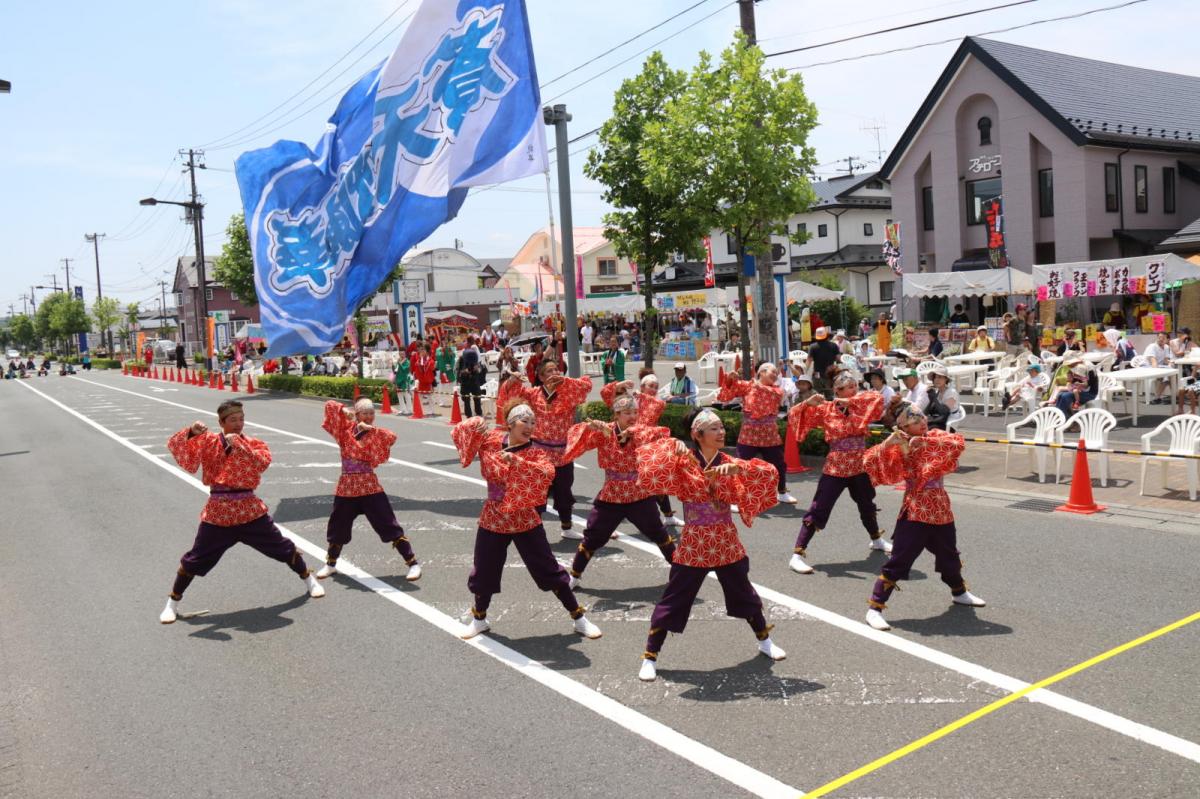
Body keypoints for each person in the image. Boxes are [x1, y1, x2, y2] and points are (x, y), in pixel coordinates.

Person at [635, 408, 786, 682]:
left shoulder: (728, 460)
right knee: (674, 599)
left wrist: (740, 468)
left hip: (725, 539)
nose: (721, 432)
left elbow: (769, 474)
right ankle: (650, 656)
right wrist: (671, 446)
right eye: (714, 428)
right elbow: (646, 459)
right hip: (694, 541)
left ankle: (765, 641)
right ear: (698, 434)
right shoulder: (683, 459)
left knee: (744, 592)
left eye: (721, 427)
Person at [159, 400, 324, 624]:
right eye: (233, 420)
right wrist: (191, 432)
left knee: (282, 547)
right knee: (196, 558)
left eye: (241, 419)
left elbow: (261, 463)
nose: (238, 424)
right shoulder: (208, 441)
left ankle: (309, 579)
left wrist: (239, 445)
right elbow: (182, 454)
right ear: (221, 422)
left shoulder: (254, 443)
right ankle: (173, 602)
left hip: (249, 510)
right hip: (219, 513)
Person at [450, 406, 602, 641]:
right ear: (510, 423)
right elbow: (460, 434)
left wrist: (517, 463)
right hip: (494, 515)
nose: (530, 427)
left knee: (548, 568)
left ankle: (579, 618)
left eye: (533, 422)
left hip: (524, 516)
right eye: (524, 421)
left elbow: (546, 473)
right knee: (484, 569)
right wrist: (476, 422)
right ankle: (479, 619)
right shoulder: (490, 441)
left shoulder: (536, 453)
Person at [862, 405, 985, 631]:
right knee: (900, 559)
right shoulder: (898, 445)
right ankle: (875, 607)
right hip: (916, 508)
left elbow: (956, 443)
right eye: (916, 421)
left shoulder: (935, 436)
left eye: (922, 419)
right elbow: (869, 462)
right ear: (904, 426)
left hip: (940, 507)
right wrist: (888, 444)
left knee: (949, 554)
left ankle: (959, 592)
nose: (923, 423)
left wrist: (920, 443)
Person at [561, 398, 678, 588]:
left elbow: (662, 433)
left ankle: (680, 573)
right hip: (612, 496)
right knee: (593, 536)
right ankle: (575, 574)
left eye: (634, 412)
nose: (632, 417)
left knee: (659, 533)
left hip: (639, 495)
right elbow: (578, 438)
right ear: (616, 415)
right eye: (627, 413)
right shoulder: (605, 432)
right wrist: (592, 429)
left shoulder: (642, 431)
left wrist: (633, 431)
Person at [787, 372, 891, 574]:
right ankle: (797, 554)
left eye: (855, 386)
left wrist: (850, 400)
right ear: (837, 390)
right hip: (836, 467)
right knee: (819, 508)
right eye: (849, 387)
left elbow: (877, 398)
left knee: (867, 505)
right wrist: (808, 402)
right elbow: (794, 415)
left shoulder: (861, 407)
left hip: (859, 466)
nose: (854, 390)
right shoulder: (826, 410)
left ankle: (876, 539)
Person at [316, 399, 421, 581]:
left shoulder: (375, 434)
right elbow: (330, 407)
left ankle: (413, 563)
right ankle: (330, 563)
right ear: (356, 415)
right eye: (364, 413)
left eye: (372, 413)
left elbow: (391, 437)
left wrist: (369, 429)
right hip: (347, 488)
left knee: (388, 524)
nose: (369, 416)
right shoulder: (344, 432)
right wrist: (344, 410)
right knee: (337, 527)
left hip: (369, 486)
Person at [514, 359, 593, 539]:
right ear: (541, 377)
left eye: (557, 370)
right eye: (549, 371)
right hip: (539, 452)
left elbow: (586, 385)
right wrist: (513, 381)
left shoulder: (568, 392)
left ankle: (567, 527)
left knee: (564, 490)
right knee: (538, 491)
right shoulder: (533, 394)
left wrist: (564, 381)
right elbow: (510, 397)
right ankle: (534, 529)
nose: (554, 373)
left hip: (563, 452)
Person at [718, 362, 793, 504]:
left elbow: (775, 394)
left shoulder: (777, 391)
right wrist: (730, 379)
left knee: (778, 464)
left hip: (769, 435)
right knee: (740, 465)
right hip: (748, 434)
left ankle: (781, 491)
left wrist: (745, 383)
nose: (775, 375)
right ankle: (735, 497)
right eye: (773, 372)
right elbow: (725, 396)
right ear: (762, 372)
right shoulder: (748, 386)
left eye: (776, 374)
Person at [808, 327, 841, 397]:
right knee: (830, 396)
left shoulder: (812, 346)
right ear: (826, 335)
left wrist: (805, 372)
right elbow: (839, 359)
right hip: (829, 374)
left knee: (817, 396)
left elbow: (809, 361)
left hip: (817, 374)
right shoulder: (834, 345)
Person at [1142, 332, 1174, 403]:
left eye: (1163, 338)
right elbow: (1153, 361)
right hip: (1146, 367)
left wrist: (1170, 362)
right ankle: (1158, 397)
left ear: (1167, 339)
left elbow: (1165, 360)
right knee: (1167, 376)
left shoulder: (1166, 347)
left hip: (1159, 367)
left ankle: (1174, 396)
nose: (1161, 339)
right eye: (1159, 337)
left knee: (1172, 375)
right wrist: (1157, 373)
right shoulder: (1152, 346)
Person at [456, 342, 486, 418]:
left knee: (477, 397)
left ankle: (479, 414)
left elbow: (481, 370)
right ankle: (468, 415)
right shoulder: (461, 360)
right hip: (465, 382)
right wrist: (464, 372)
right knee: (466, 400)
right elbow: (458, 372)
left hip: (474, 381)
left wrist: (478, 370)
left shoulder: (475, 358)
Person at [392, 350, 414, 414]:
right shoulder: (398, 362)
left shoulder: (407, 362)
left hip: (405, 380)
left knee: (407, 395)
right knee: (399, 395)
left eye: (403, 354)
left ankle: (409, 410)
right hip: (398, 381)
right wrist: (393, 380)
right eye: (400, 354)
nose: (401, 355)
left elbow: (406, 369)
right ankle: (402, 409)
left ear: (405, 354)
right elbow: (395, 372)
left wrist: (400, 363)